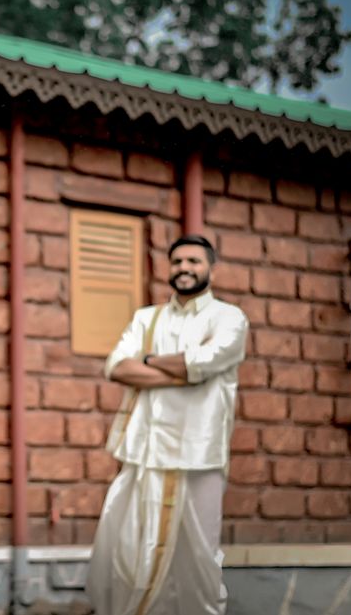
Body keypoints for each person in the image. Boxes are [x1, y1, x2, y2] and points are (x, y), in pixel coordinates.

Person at [86, 235, 249, 615]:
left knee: (199, 558)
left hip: (199, 453)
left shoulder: (228, 318)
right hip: (144, 450)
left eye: (193, 261)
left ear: (210, 267)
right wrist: (184, 372)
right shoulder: (147, 317)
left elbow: (205, 362)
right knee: (127, 550)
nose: (184, 268)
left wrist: (150, 359)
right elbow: (118, 367)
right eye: (177, 262)